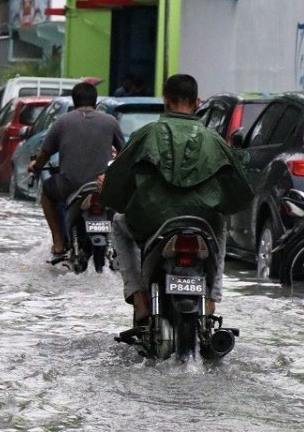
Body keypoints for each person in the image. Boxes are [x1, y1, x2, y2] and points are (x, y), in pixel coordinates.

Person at [99, 74, 253, 335]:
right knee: (220, 227)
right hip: (202, 223)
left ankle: (139, 300)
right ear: (197, 102)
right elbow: (239, 194)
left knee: (117, 223)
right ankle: (211, 300)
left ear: (165, 101)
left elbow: (118, 182)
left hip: (152, 222)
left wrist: (113, 195)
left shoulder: (145, 135)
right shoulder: (214, 140)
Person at [28, 81, 125, 259]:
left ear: (74, 102)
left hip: (69, 185)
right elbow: (124, 154)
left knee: (47, 194)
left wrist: (36, 166)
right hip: (100, 186)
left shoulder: (62, 121)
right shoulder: (110, 121)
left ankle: (58, 243)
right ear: (95, 102)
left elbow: (44, 153)